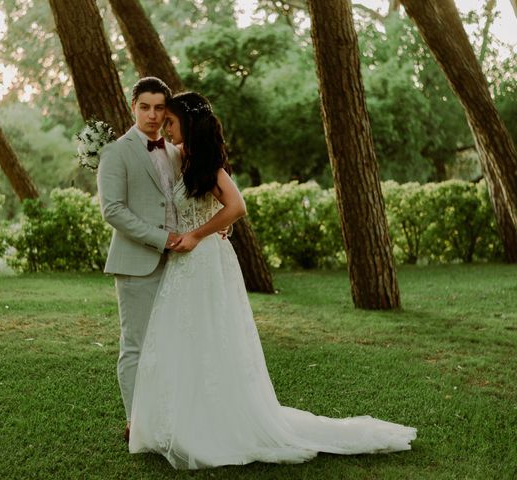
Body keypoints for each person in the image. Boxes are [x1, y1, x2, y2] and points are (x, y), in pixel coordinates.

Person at [128, 92, 417, 469]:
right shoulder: (180, 158)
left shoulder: (209, 167)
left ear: (189, 123)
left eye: (171, 121)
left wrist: (200, 233)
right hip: (184, 266)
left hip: (206, 262)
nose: (165, 127)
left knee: (211, 335)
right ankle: (177, 420)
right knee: (183, 339)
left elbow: (236, 206)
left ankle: (214, 425)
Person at [97, 77, 182, 444]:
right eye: (145, 107)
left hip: (180, 265)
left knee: (170, 342)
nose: (152, 115)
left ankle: (167, 414)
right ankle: (136, 421)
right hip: (136, 263)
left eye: (159, 108)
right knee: (136, 345)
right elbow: (113, 210)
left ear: (167, 111)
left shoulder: (176, 152)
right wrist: (162, 239)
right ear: (133, 107)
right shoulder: (117, 152)